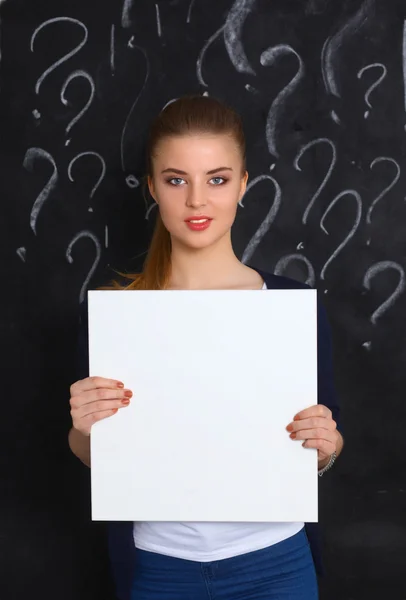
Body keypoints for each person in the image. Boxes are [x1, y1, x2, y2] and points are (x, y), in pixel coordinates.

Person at [68, 95, 344, 600]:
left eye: (216, 179)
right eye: (177, 180)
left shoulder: (289, 305)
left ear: (242, 184)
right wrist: (84, 429)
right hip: (158, 567)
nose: (197, 201)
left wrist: (324, 448)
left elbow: (326, 439)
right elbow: (99, 455)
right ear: (153, 188)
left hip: (275, 564)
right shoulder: (118, 316)